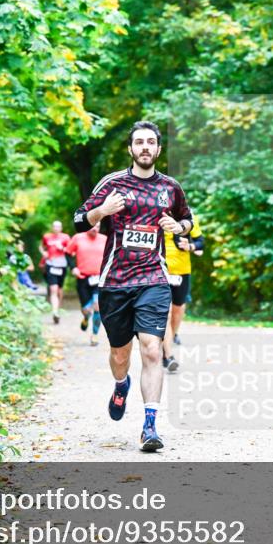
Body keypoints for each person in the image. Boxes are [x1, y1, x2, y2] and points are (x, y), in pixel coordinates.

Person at [72, 121, 194, 452]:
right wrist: (102, 210)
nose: (144, 147)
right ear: (130, 149)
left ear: (158, 149)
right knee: (119, 354)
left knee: (152, 349)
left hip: (154, 278)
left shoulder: (170, 187)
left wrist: (178, 227)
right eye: (138, 142)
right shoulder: (112, 184)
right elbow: (80, 220)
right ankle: (120, 383)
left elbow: (188, 220)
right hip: (115, 282)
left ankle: (150, 427)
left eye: (150, 142)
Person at [161, 213, 204, 372]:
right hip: (160, 270)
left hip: (182, 271)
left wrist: (190, 246)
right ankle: (167, 355)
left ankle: (168, 340)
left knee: (177, 311)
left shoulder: (189, 216)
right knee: (166, 312)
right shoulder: (157, 210)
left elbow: (201, 243)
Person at [66, 225, 108, 346]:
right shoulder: (77, 238)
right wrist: (73, 268)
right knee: (86, 309)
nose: (96, 229)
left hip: (99, 278)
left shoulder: (104, 239)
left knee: (97, 305)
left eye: (99, 227)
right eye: (93, 226)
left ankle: (94, 335)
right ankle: (85, 317)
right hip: (83, 278)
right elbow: (67, 253)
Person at [40, 221, 71, 323]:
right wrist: (43, 252)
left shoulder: (66, 237)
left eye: (58, 226)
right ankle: (55, 312)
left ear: (61, 228)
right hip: (51, 264)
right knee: (53, 289)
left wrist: (61, 247)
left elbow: (71, 251)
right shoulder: (47, 236)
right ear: (52, 227)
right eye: (54, 226)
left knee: (59, 290)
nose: (56, 228)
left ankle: (57, 308)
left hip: (62, 265)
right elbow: (42, 246)